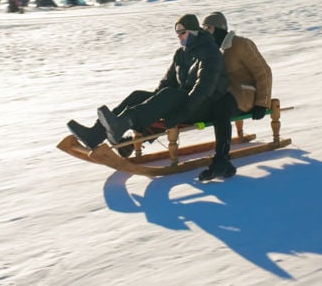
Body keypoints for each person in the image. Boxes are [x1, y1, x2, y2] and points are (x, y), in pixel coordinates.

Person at [69, 15, 230, 155]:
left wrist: (181, 113)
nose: (179, 36)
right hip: (182, 103)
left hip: (202, 107)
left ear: (193, 31)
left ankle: (123, 124)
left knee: (172, 94)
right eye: (177, 33)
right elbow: (167, 82)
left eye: (182, 32)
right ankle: (95, 135)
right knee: (138, 96)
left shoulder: (211, 52)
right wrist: (152, 102)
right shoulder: (181, 53)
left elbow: (203, 89)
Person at [198, 11, 274, 181]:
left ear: (219, 28)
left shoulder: (240, 44)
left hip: (246, 95)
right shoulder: (215, 50)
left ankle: (221, 160)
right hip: (226, 95)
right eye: (204, 28)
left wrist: (262, 103)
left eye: (208, 28)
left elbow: (263, 71)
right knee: (208, 106)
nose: (206, 32)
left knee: (220, 109)